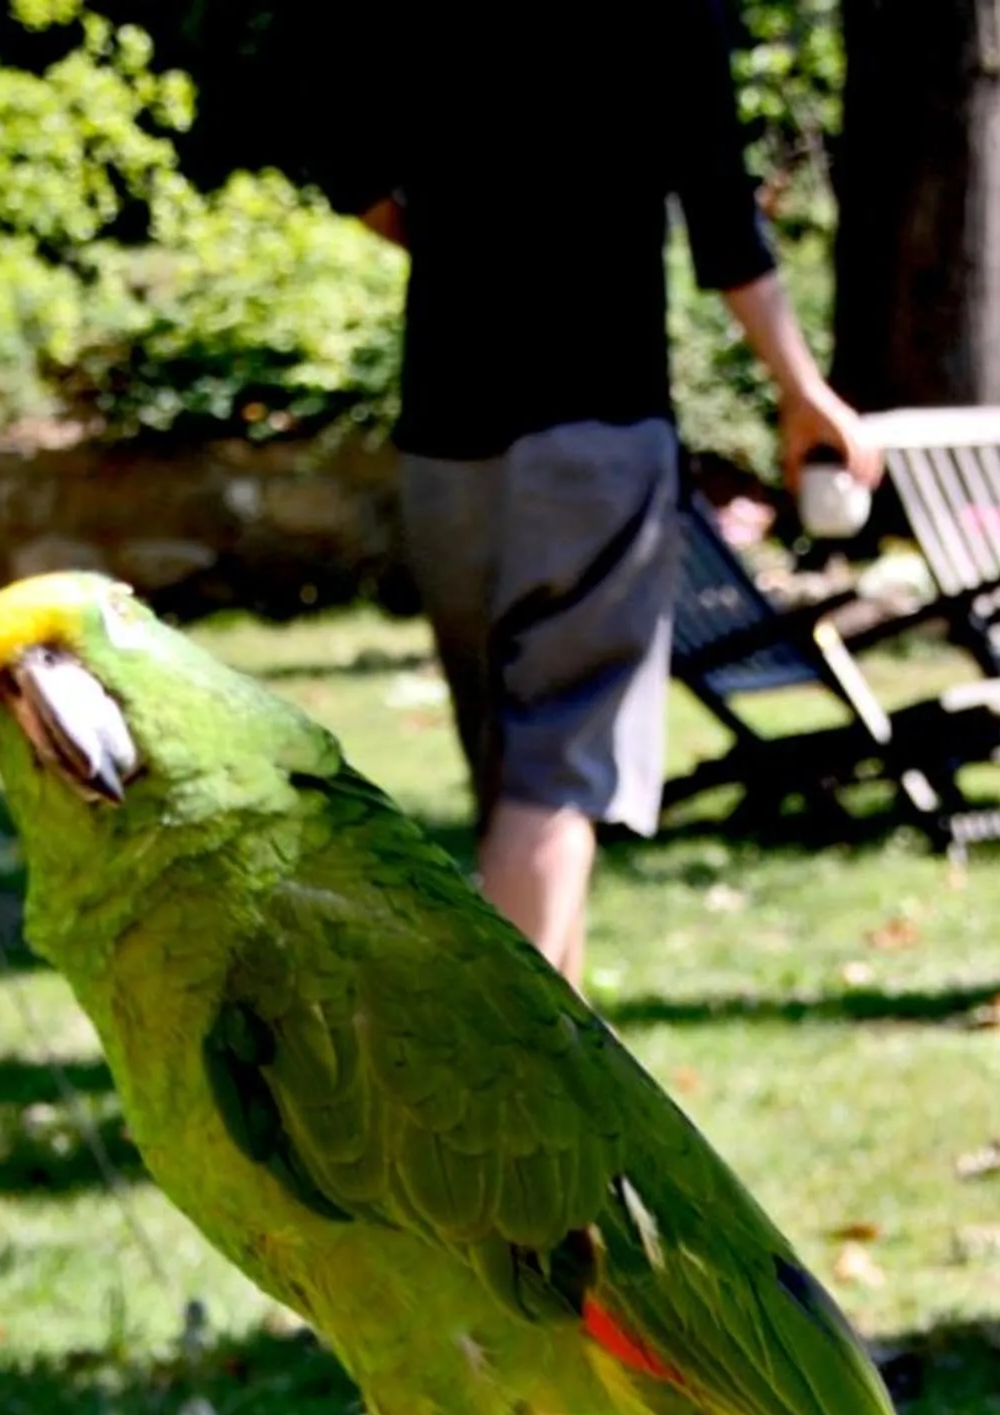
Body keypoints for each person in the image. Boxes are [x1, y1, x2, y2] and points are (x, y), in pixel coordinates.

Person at [315, 0, 881, 986]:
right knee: (554, 775)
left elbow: (343, 158)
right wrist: (802, 391)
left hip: (448, 443)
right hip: (596, 434)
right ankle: (510, 1056)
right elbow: (724, 225)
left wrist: (460, 250)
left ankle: (568, 1042)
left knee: (513, 776)